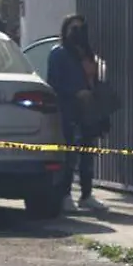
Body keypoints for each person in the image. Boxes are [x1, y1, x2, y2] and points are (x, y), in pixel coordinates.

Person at [47, 14, 110, 214]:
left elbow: (96, 80)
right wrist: (75, 93)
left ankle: (86, 195)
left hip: (89, 110)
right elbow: (54, 83)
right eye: (72, 28)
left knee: (88, 154)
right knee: (70, 155)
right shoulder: (59, 53)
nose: (77, 33)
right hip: (69, 110)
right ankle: (65, 195)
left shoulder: (88, 54)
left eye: (80, 28)